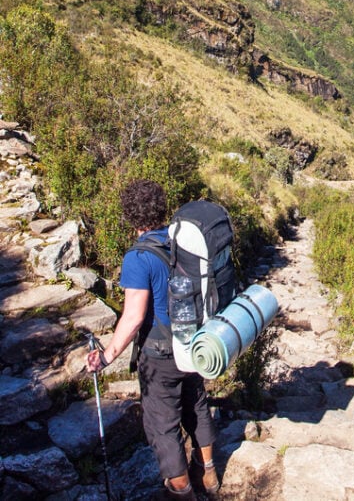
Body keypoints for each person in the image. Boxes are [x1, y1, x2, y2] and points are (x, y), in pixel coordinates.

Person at [86, 179, 219, 500]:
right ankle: (209, 474)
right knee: (197, 404)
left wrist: (106, 356)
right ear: (162, 208)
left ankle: (182, 491)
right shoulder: (181, 241)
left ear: (130, 216)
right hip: (193, 341)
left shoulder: (137, 258)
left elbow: (133, 317)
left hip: (160, 353)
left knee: (162, 424)